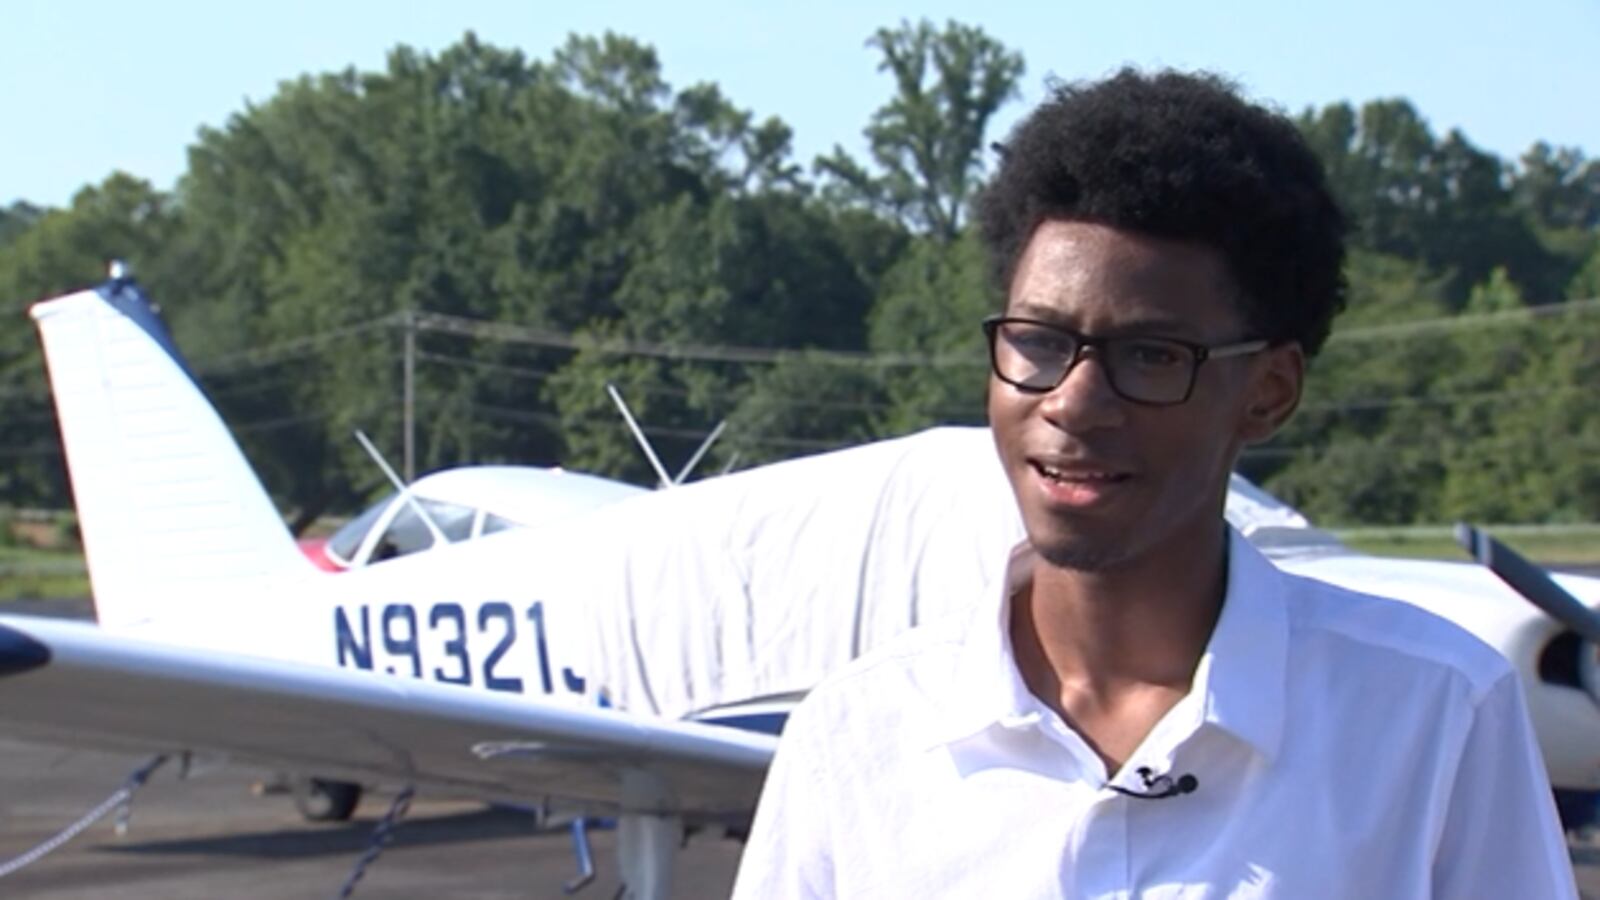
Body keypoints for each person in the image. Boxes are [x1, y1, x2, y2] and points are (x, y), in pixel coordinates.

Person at [732, 69, 1576, 898]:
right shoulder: (858, 734)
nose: (1075, 402)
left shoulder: (1433, 716)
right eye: (1038, 341)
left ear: (1269, 392)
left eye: (1152, 355)